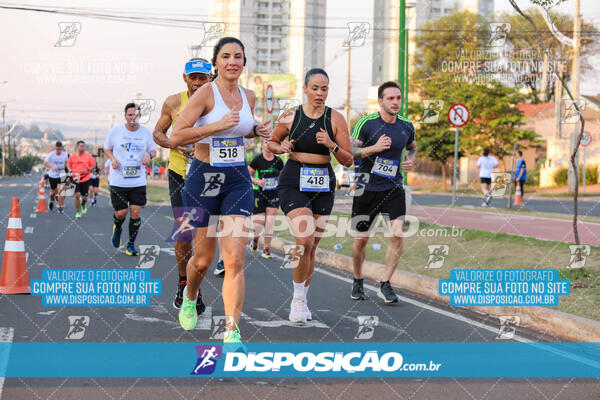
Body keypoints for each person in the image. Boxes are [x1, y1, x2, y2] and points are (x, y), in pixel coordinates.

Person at [170, 37, 271, 346]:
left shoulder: (249, 96)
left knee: (235, 258)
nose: (232, 61)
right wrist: (216, 126)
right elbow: (177, 136)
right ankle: (190, 295)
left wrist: (258, 130)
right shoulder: (204, 94)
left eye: (237, 56)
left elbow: (242, 129)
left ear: (243, 62)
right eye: (225, 56)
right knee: (202, 259)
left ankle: (232, 331)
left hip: (238, 179)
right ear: (215, 63)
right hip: (203, 179)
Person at [268, 68, 353, 324]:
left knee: (312, 245)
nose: (319, 93)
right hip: (293, 178)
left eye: (324, 88)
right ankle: (296, 300)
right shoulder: (291, 115)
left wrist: (331, 144)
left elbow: (348, 159)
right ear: (305, 89)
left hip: (323, 181)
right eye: (314, 88)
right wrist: (280, 146)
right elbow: (270, 143)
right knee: (303, 239)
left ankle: (303, 299)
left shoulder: (336, 118)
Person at [349, 81, 417, 303]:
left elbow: (412, 148)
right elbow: (350, 153)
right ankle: (358, 280)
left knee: (397, 234)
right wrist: (374, 148)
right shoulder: (366, 124)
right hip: (366, 188)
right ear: (380, 101)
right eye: (390, 98)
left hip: (393, 187)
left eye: (398, 98)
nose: (396, 102)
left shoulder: (406, 126)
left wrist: (411, 161)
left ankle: (385, 283)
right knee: (361, 240)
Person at [153, 57, 211, 312]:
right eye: (193, 77)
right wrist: (174, 144)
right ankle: (184, 282)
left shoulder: (218, 101)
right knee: (185, 232)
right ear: (184, 78)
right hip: (180, 172)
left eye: (203, 77)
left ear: (211, 78)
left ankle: (194, 285)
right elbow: (158, 133)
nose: (198, 82)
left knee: (205, 236)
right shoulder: (174, 102)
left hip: (210, 174)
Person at [104, 102, 157, 256]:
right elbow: (107, 148)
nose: (132, 118)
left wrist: (149, 155)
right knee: (121, 213)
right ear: (125, 116)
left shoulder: (146, 133)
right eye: (129, 115)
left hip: (138, 180)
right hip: (118, 180)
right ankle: (117, 227)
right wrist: (112, 159)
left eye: (135, 115)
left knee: (136, 212)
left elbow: (153, 149)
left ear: (139, 116)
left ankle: (131, 245)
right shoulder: (115, 131)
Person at [248, 139, 284, 258]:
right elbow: (248, 175)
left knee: (270, 223)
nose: (267, 145)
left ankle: (267, 249)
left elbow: (282, 176)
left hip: (273, 194)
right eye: (265, 142)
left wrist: (279, 183)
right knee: (258, 223)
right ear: (262, 145)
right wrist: (257, 181)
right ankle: (255, 239)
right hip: (258, 193)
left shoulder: (278, 161)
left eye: (270, 142)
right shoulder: (257, 160)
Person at [67, 141, 96, 219]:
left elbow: (93, 165)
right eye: (81, 146)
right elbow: (68, 164)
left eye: (84, 146)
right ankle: (78, 211)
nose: (83, 148)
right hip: (75, 178)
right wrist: (69, 169)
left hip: (85, 178)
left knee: (84, 198)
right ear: (77, 147)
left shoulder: (88, 156)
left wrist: (87, 169)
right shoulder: (73, 156)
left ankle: (83, 205)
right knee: (77, 195)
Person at [43, 141, 69, 213]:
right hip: (53, 175)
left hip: (61, 174)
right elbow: (45, 163)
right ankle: (51, 200)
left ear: (61, 148)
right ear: (55, 148)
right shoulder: (51, 154)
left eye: (59, 149)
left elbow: (67, 162)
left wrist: (64, 167)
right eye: (57, 149)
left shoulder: (65, 154)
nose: (58, 151)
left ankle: (60, 207)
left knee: (62, 191)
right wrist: (52, 167)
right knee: (53, 193)